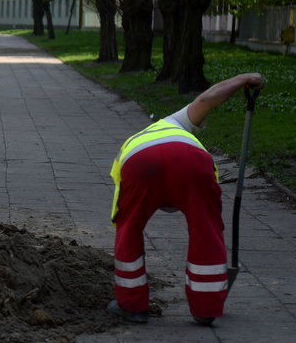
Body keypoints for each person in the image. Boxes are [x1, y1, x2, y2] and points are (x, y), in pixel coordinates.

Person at [108, 73, 265, 326]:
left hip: (140, 163)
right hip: (191, 161)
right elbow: (208, 98)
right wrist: (245, 78)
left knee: (129, 229)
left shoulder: (132, 144)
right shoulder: (177, 123)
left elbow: (122, 215)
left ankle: (132, 304)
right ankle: (206, 306)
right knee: (207, 230)